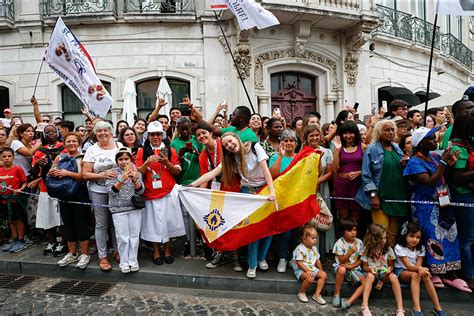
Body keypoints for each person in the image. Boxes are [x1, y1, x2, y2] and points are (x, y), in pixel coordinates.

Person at [190, 132, 276, 279]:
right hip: (247, 192)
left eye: (230, 141)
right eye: (226, 145)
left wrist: (272, 191)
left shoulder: (255, 147)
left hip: (264, 190)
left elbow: (265, 170)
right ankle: (252, 264)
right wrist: (191, 185)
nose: (229, 145)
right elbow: (211, 174)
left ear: (236, 138)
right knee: (252, 228)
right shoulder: (230, 159)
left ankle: (262, 258)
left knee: (267, 226)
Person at [403, 127, 469, 292]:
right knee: (432, 239)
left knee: (450, 236)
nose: (435, 141)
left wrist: (448, 164)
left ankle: (451, 273)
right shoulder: (414, 162)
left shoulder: (433, 156)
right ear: (421, 143)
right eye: (431, 139)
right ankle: (433, 271)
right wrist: (444, 162)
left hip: (443, 203)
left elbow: (441, 172)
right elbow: (430, 181)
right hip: (425, 207)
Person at [194, 123, 242, 271]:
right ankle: (220, 253)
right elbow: (205, 177)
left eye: (204, 133)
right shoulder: (202, 155)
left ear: (211, 133)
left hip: (233, 190)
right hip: (216, 194)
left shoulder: (224, 145)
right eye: (198, 135)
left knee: (233, 225)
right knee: (218, 224)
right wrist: (199, 196)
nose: (202, 136)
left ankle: (236, 256)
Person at [136, 121, 185, 265]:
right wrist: (147, 162)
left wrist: (167, 163)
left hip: (168, 192)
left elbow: (177, 171)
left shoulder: (170, 150)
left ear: (162, 136)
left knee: (168, 222)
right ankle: (156, 250)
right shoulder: (142, 151)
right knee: (153, 224)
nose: (155, 137)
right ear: (148, 136)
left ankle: (168, 249)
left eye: (158, 134)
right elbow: (138, 173)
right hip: (151, 193)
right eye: (152, 134)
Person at [355, 120, 409, 245]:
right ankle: (376, 261)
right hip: (380, 199)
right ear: (379, 132)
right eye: (387, 130)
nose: (390, 132)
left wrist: (405, 164)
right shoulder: (372, 149)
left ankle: (389, 261)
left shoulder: (397, 149)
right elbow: (366, 175)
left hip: (397, 198)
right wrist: (373, 196)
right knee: (380, 232)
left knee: (393, 233)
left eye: (392, 130)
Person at [82, 121, 122, 272]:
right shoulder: (92, 150)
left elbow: (128, 165)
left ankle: (119, 251)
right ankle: (103, 256)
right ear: (95, 134)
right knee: (101, 224)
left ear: (111, 132)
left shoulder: (119, 147)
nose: (103, 133)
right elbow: (84, 174)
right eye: (99, 131)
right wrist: (102, 174)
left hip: (117, 190)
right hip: (98, 191)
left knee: (116, 222)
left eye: (105, 131)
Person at [50, 133, 91, 269]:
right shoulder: (59, 157)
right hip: (64, 194)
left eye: (74, 141)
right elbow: (51, 171)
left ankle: (85, 253)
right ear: (64, 143)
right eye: (68, 141)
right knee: (68, 224)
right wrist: (53, 173)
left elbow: (84, 177)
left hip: (80, 194)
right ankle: (72, 253)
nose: (71, 143)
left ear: (78, 143)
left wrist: (67, 173)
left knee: (81, 223)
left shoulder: (84, 157)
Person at [394, 222, 446, 316]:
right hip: (402, 271)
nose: (415, 239)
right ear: (404, 235)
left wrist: (422, 270)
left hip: (415, 271)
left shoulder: (421, 248)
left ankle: (438, 308)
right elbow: (409, 266)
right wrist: (420, 269)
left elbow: (418, 265)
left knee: (425, 276)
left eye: (418, 237)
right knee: (415, 275)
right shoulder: (399, 247)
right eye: (411, 236)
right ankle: (417, 308)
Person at [106, 147, 144, 274]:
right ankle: (124, 262)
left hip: (134, 208)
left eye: (126, 159)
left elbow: (141, 191)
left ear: (130, 159)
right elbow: (111, 192)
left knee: (134, 236)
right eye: (121, 159)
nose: (124, 162)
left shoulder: (137, 171)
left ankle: (133, 261)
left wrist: (134, 179)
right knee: (122, 237)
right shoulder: (111, 173)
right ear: (117, 161)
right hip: (118, 209)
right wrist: (122, 178)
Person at [449, 109, 474, 289]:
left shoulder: (469, 144)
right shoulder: (457, 148)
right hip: (463, 195)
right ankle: (469, 274)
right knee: (468, 237)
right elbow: (457, 177)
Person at [32, 124, 65, 256]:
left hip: (62, 187)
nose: (50, 133)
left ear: (57, 133)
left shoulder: (63, 148)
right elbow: (33, 172)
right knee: (48, 216)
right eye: (47, 132)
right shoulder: (39, 151)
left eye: (53, 131)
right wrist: (38, 164)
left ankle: (63, 243)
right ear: (44, 135)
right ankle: (51, 242)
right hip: (45, 188)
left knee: (62, 217)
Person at [269, 129, 297, 273]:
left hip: (297, 199)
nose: (288, 143)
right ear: (281, 143)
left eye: (291, 140)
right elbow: (273, 175)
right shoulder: (275, 157)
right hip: (281, 199)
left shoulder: (300, 158)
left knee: (295, 231)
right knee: (285, 231)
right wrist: (280, 156)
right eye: (285, 141)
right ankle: (281, 258)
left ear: (296, 143)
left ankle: (291, 257)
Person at [361, 224, 404, 316]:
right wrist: (370, 269)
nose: (384, 240)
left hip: (384, 274)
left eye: (385, 238)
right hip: (372, 273)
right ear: (374, 239)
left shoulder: (388, 250)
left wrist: (389, 269)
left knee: (394, 277)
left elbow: (391, 265)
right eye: (381, 238)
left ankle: (400, 309)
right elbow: (364, 266)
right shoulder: (366, 250)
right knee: (369, 276)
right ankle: (365, 306)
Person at [303, 125, 335, 252]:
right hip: (306, 190)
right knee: (308, 220)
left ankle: (322, 250)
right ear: (306, 138)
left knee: (322, 217)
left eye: (317, 135)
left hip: (322, 188)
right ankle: (307, 251)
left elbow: (329, 172)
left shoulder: (327, 152)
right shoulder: (302, 152)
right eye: (311, 136)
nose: (315, 138)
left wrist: (317, 181)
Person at [333, 121, 366, 222]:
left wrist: (359, 172)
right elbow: (335, 169)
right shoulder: (339, 149)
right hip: (341, 185)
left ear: (355, 133)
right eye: (345, 133)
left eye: (351, 133)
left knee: (356, 217)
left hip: (357, 185)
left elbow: (368, 168)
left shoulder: (363, 147)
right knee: (344, 218)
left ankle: (355, 236)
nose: (348, 136)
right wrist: (334, 188)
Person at [331, 218, 365, 311]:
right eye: (349, 230)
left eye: (354, 230)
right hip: (341, 266)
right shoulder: (339, 244)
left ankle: (349, 301)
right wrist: (350, 252)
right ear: (343, 232)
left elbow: (361, 259)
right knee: (342, 270)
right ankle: (336, 294)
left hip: (355, 268)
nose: (353, 232)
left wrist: (353, 266)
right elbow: (341, 261)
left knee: (365, 283)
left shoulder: (359, 242)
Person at [290, 224, 327, 304]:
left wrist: (320, 270)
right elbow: (298, 262)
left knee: (323, 275)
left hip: (311, 268)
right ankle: (301, 292)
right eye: (313, 238)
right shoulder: (300, 249)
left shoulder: (314, 248)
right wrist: (307, 271)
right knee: (310, 278)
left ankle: (317, 295)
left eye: (316, 238)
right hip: (300, 269)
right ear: (304, 239)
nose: (315, 240)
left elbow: (317, 260)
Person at [0, 148, 28, 253]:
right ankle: (14, 239)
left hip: (14, 199)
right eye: (4, 156)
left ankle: (21, 241)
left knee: (17, 219)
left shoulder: (18, 169)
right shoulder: (0, 170)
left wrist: (20, 189)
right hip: (4, 200)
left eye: (9, 156)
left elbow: (24, 182)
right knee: (10, 220)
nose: (6, 158)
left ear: (13, 157)